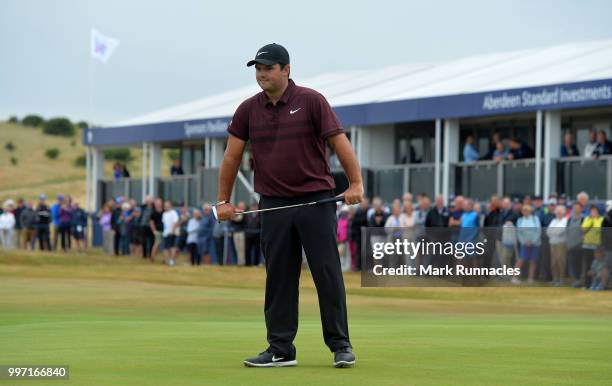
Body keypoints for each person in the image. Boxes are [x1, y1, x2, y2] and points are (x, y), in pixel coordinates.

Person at [214, 43, 359, 368]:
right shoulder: (248, 109)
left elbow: (339, 142)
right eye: (258, 69)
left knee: (326, 273)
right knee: (279, 277)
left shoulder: (311, 101)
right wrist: (223, 200)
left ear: (286, 70)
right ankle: (280, 348)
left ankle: (340, 345)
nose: (262, 74)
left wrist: (355, 183)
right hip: (273, 204)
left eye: (268, 68)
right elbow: (232, 156)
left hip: (316, 201)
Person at [512, 205, 541, 284]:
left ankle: (530, 278)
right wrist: (524, 242)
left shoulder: (535, 219)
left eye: (527, 211)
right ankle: (514, 277)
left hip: (535, 243)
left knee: (533, 261)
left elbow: (538, 231)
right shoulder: (520, 220)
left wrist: (533, 241)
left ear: (530, 211)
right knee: (521, 260)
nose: (525, 212)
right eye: (524, 211)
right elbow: (519, 233)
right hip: (524, 243)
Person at [580, 205, 603, 288]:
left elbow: (599, 229)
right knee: (587, 265)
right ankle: (587, 284)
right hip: (586, 245)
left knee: (596, 265)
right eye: (591, 211)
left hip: (596, 246)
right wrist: (590, 221)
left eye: (594, 211)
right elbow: (583, 228)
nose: (593, 212)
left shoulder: (601, 219)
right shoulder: (587, 219)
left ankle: (595, 283)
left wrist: (595, 220)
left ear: (598, 212)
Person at [546, 205, 568, 286]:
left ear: (563, 213)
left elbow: (561, 231)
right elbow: (548, 231)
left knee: (560, 260)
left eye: (560, 212)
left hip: (561, 243)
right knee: (553, 261)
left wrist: (553, 231)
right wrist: (554, 231)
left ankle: (561, 279)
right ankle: (555, 278)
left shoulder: (565, 220)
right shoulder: (553, 221)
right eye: (557, 212)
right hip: (552, 243)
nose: (558, 213)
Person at [162, 200, 179, 266]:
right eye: (165, 206)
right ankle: (167, 261)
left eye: (167, 206)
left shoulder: (173, 213)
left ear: (170, 206)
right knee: (166, 247)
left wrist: (172, 230)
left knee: (172, 247)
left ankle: (172, 261)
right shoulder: (164, 214)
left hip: (171, 233)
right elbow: (165, 224)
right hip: (166, 233)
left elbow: (175, 222)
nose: (166, 207)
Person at [244, 202, 261, 266]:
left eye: (255, 207)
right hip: (248, 235)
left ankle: (256, 264)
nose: (254, 208)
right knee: (247, 250)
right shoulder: (247, 215)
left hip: (257, 235)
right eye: (253, 207)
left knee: (257, 250)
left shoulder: (260, 215)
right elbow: (244, 223)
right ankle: (247, 264)